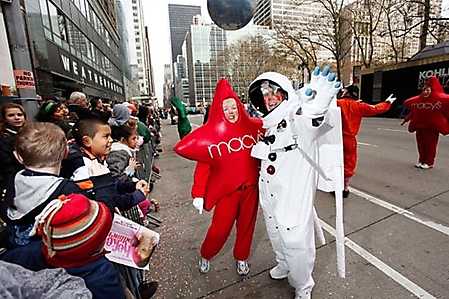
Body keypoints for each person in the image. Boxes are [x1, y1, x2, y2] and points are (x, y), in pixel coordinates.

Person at [248, 67, 340, 299]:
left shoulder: (296, 116)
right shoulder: (269, 124)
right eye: (265, 95)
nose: (269, 99)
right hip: (270, 189)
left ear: (285, 93)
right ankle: (283, 263)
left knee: (294, 239)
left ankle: (303, 285)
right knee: (275, 231)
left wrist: (317, 107)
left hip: (293, 190)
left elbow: (313, 122)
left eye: (274, 93)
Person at [174, 78, 263, 276]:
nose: (231, 112)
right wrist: (198, 194)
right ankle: (206, 254)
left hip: (251, 189)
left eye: (234, 107)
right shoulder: (213, 137)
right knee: (219, 229)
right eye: (226, 109)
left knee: (247, 227)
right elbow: (203, 168)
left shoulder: (254, 127)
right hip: (227, 192)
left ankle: (242, 257)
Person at [337, 84, 396, 197]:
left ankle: (334, 185)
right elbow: (376, 109)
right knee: (349, 162)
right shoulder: (359, 106)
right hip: (350, 139)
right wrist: (387, 103)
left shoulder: (337, 103)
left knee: (335, 162)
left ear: (346, 92)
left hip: (336, 138)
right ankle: (345, 188)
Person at [402, 76, 449, 169]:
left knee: (430, 146)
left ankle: (429, 162)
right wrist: (406, 119)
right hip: (420, 126)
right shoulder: (419, 102)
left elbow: (446, 112)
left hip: (431, 128)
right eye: (424, 90)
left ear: (432, 91)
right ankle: (421, 160)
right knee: (421, 145)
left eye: (428, 90)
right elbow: (414, 111)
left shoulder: (439, 101)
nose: (425, 92)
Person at [0, 103, 28, 183]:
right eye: (11, 115)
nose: (17, 118)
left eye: (19, 115)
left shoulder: (31, 133)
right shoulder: (3, 139)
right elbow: (7, 167)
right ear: (4, 119)